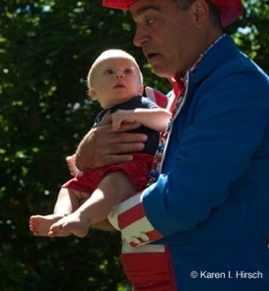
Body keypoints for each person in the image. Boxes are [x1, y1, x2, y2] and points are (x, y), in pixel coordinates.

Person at [74, 0, 269, 290]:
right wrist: (87, 161)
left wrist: (93, 214)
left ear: (198, 13)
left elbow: (182, 201)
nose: (138, 39)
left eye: (150, 19)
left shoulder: (236, 87)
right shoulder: (182, 93)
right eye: (136, 24)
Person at [29, 49, 171, 238]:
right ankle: (61, 216)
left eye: (127, 71)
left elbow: (167, 120)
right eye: (109, 72)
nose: (119, 74)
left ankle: (82, 218)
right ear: (93, 93)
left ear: (139, 88)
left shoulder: (141, 103)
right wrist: (79, 163)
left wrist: (133, 114)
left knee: (113, 183)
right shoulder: (101, 118)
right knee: (70, 188)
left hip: (135, 169)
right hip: (107, 173)